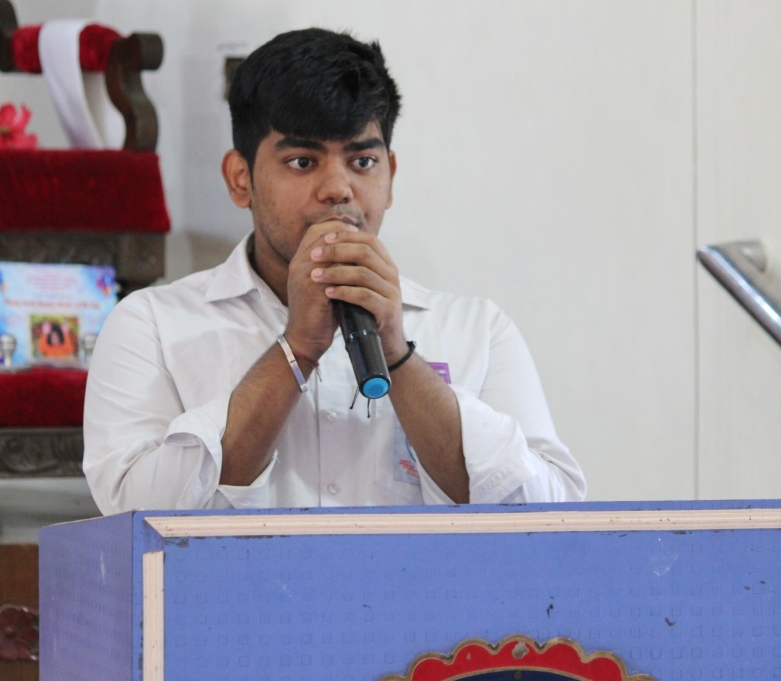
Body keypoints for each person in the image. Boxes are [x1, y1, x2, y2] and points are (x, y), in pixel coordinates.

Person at [83, 28, 585, 512]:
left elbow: (549, 514)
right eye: (303, 162)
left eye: (362, 162)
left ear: (390, 177)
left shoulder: (478, 330)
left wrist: (398, 356)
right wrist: (296, 349)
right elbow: (134, 513)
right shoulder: (151, 325)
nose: (338, 189)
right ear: (240, 179)